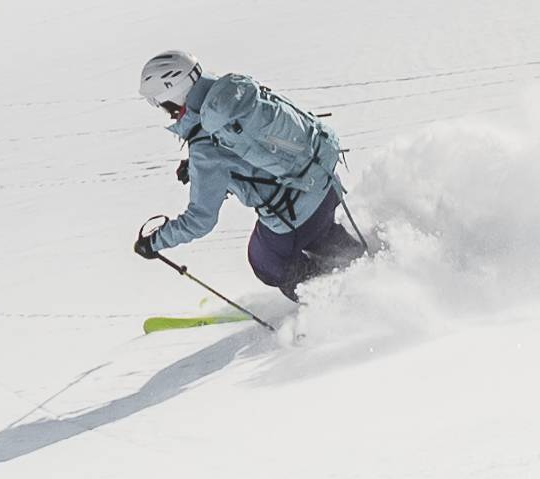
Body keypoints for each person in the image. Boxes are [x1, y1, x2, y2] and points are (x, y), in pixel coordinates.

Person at [130, 51, 371, 296]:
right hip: (325, 183)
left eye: (158, 102)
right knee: (322, 237)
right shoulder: (236, 93)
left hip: (295, 217)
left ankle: (335, 302)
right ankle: (373, 270)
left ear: (172, 95)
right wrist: (196, 167)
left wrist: (154, 242)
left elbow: (200, 220)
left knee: (266, 262)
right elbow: (258, 148)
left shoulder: (204, 147)